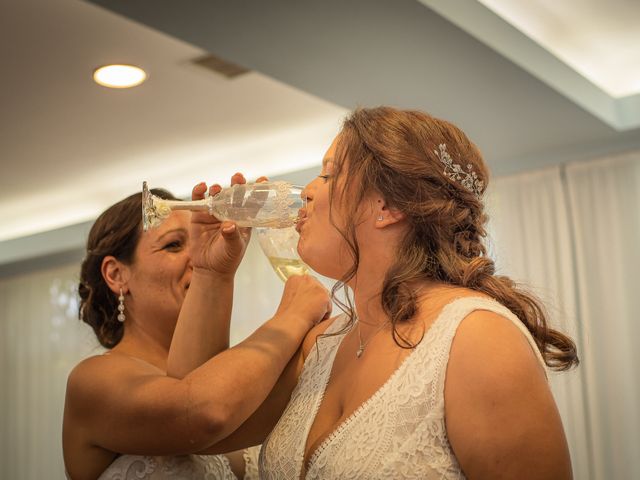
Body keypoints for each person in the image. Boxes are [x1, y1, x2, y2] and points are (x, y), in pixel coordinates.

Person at [170, 107, 578, 479]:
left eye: (329, 174)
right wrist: (211, 275)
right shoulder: (322, 344)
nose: (308, 190)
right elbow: (191, 425)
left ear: (388, 206)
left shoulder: (477, 339)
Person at [62, 174, 332, 480]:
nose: (195, 256)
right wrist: (293, 314)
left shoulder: (235, 379)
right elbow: (202, 413)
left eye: (196, 244)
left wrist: (215, 271)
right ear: (116, 274)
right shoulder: (91, 382)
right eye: (174, 245)